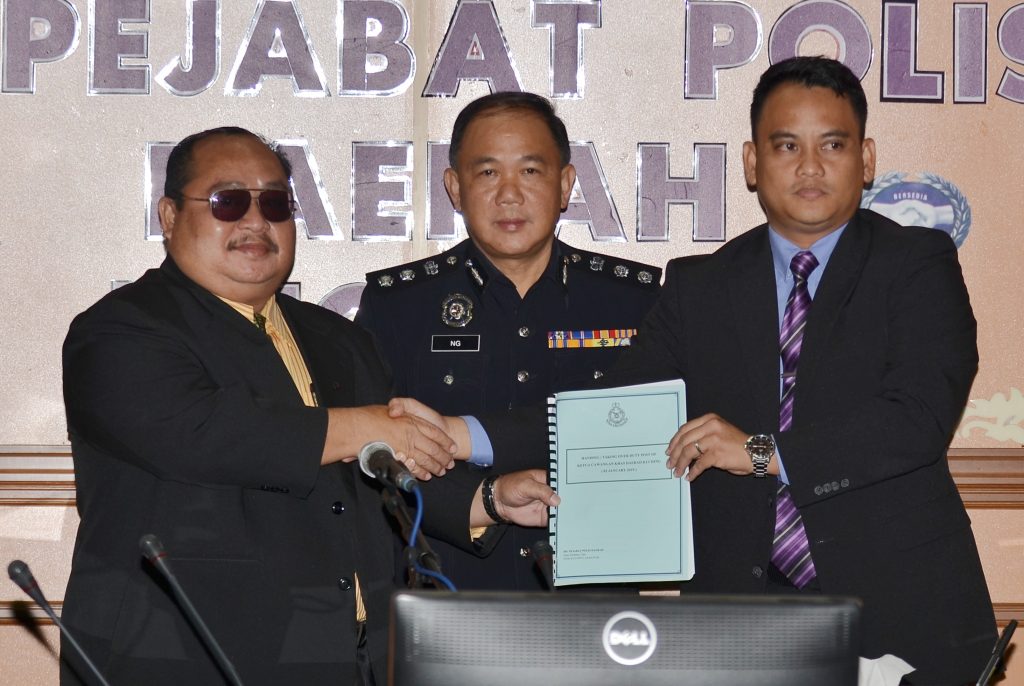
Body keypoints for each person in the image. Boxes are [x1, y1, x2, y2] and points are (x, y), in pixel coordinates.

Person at [60, 126, 558, 686]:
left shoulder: (338, 339)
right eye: (228, 202)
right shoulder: (120, 330)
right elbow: (208, 434)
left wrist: (489, 499)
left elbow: (375, 473)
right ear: (170, 216)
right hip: (181, 657)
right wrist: (364, 426)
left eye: (274, 204)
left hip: (348, 657)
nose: (256, 221)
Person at [617, 57, 994, 683]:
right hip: (737, 623)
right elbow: (615, 409)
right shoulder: (698, 286)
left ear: (866, 160)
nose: (811, 166)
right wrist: (471, 436)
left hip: (899, 615)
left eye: (833, 145)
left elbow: (918, 418)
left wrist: (760, 453)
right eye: (787, 145)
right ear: (751, 162)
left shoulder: (917, 264)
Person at [356, 92, 661, 591]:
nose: (510, 195)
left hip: (594, 596)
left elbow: (648, 439)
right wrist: (486, 497)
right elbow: (376, 457)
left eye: (531, 171)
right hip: (451, 588)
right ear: (455, 188)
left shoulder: (633, 302)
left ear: (566, 184)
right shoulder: (399, 305)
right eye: (488, 172)